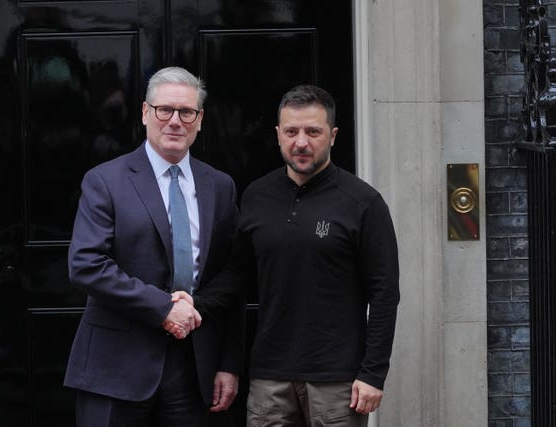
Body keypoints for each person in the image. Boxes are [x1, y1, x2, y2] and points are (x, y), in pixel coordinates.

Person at [174, 84, 400, 427]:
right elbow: (239, 274)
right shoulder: (257, 196)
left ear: (333, 135)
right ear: (278, 134)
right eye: (291, 131)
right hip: (269, 378)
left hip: (337, 381)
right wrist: (195, 303)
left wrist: (373, 373)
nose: (301, 142)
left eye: (313, 131)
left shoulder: (363, 203)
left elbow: (384, 294)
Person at [64, 66, 244, 427]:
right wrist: (163, 308)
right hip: (115, 367)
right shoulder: (105, 180)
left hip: (192, 368)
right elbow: (86, 263)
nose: (175, 121)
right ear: (146, 113)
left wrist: (228, 363)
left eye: (186, 112)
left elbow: (231, 277)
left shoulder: (220, 187)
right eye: (165, 110)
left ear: (200, 119)